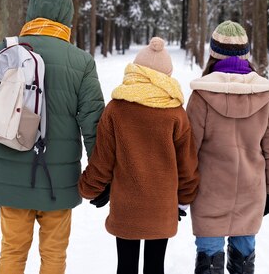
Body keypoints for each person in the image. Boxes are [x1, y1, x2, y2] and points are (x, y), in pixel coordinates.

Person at [0, 0, 105, 274]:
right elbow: (93, 125)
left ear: (32, 10)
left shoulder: (4, 50)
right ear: (68, 15)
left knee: (12, 252)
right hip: (59, 182)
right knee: (54, 255)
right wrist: (99, 176)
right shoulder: (81, 61)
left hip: (10, 173)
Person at [78, 37, 200, 274]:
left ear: (136, 70)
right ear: (166, 76)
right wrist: (184, 199)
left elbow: (102, 159)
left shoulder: (116, 108)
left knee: (125, 266)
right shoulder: (176, 113)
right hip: (162, 206)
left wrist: (89, 188)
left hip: (127, 206)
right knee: (155, 267)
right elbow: (187, 164)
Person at [186, 20, 269, 274]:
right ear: (246, 54)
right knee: (243, 264)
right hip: (251, 193)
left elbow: (188, 151)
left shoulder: (201, 95)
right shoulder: (266, 95)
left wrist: (182, 194)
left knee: (208, 262)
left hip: (209, 194)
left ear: (213, 53)